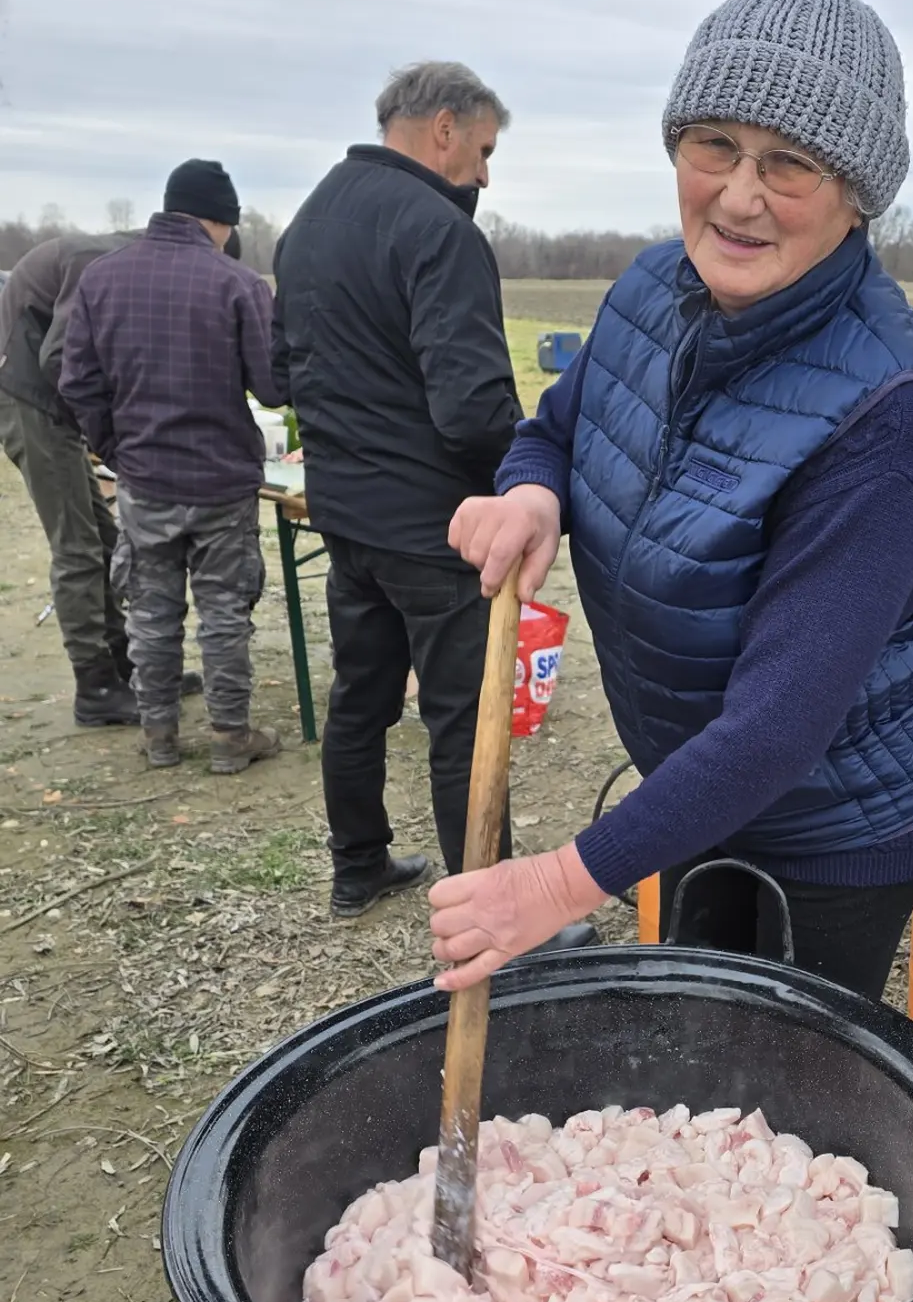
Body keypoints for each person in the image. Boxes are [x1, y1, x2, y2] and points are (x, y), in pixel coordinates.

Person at [429, 0, 913, 1004]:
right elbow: (557, 427)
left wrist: (553, 881)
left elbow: (778, 725)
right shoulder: (651, 288)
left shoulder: (891, 415)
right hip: (693, 786)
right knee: (696, 1032)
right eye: (714, 144)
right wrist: (534, 494)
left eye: (790, 163)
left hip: (838, 824)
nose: (737, 195)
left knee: (790, 1095)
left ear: (857, 194)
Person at [272, 60, 522, 919]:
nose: (486, 173)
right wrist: (524, 475)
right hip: (435, 525)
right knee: (463, 721)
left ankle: (358, 864)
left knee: (361, 695)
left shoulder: (307, 223)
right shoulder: (439, 231)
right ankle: (492, 915)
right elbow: (472, 408)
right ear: (444, 127)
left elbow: (280, 373)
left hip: (346, 518)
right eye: (485, 150)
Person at [59, 159, 282, 774]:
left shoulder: (101, 279)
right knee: (224, 615)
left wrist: (116, 448)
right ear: (221, 221)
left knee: (151, 615)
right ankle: (230, 738)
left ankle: (159, 736)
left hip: (144, 480)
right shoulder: (237, 283)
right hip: (222, 482)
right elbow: (270, 387)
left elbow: (76, 380)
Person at [0, 232, 207, 725]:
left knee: (107, 537)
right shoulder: (101, 262)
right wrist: (109, 428)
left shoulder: (132, 268)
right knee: (76, 547)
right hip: (28, 397)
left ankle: (126, 666)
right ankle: (94, 686)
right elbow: (60, 357)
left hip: (52, 402)